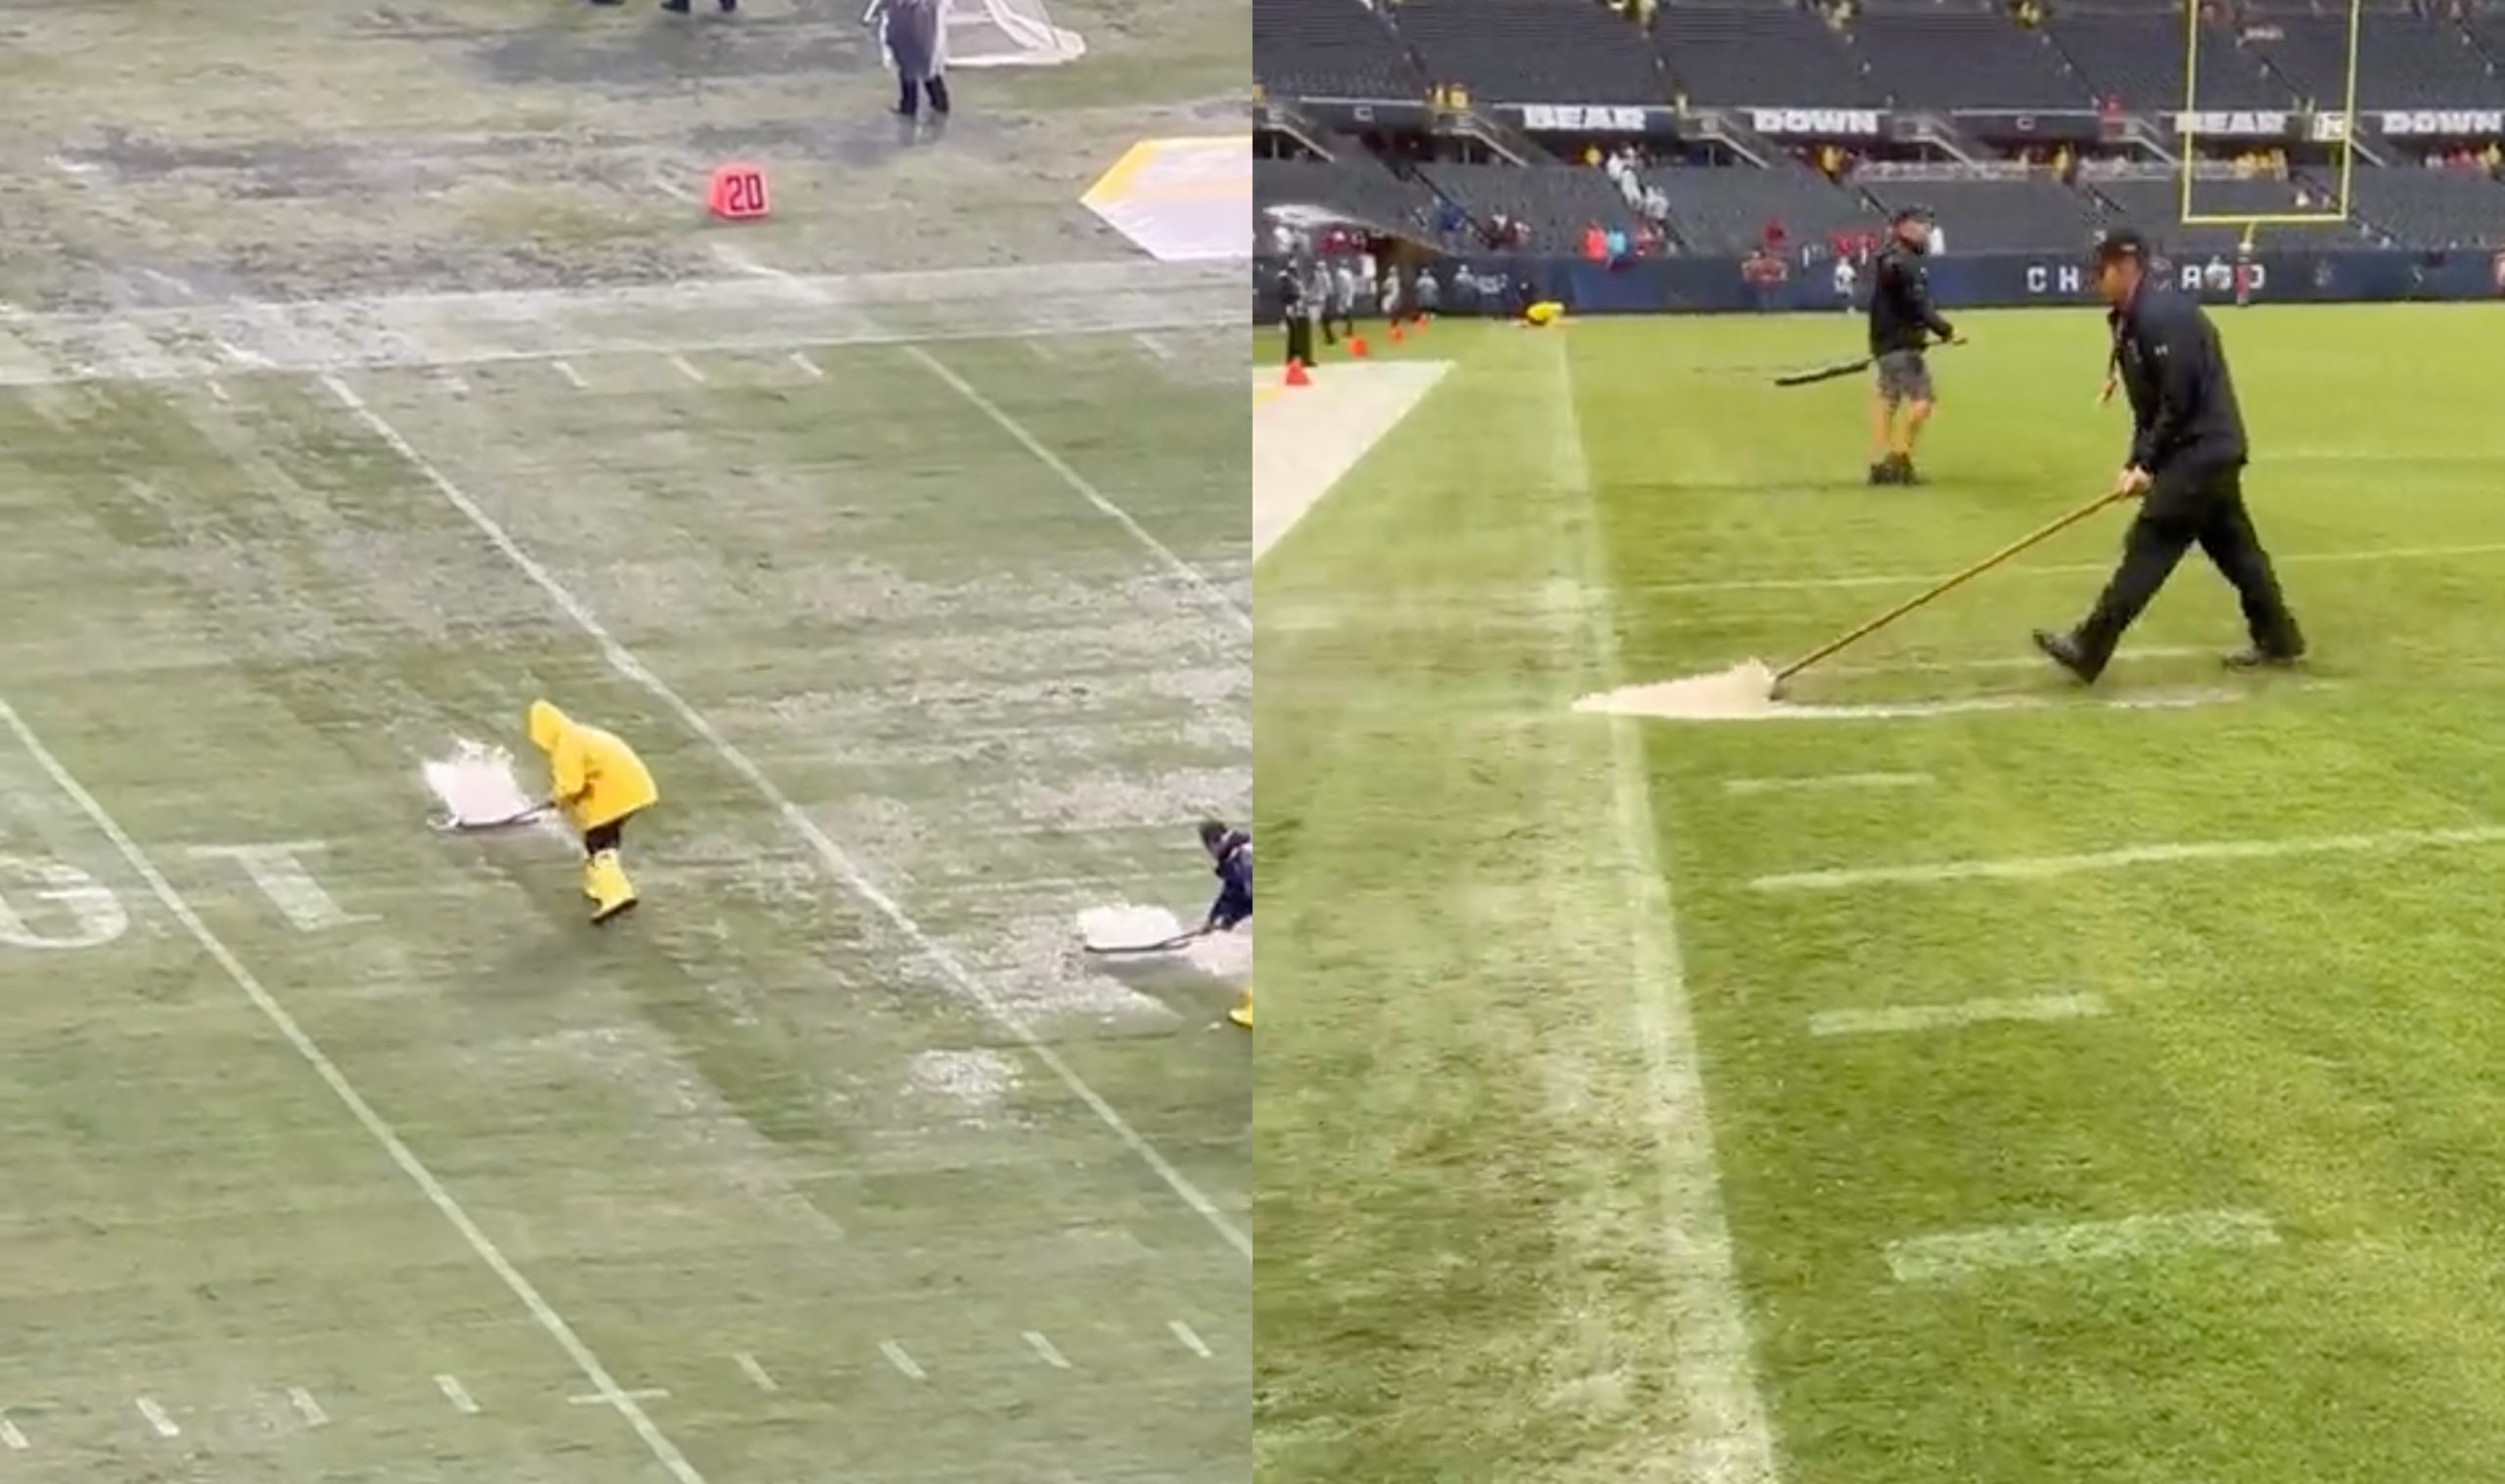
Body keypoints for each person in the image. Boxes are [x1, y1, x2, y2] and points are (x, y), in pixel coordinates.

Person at [2033, 229, 2304, 683]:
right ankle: (2280, 636)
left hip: (2201, 452)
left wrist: (2146, 464)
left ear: (2124, 268)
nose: (2094, 283)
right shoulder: (2132, 319)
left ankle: (2090, 646)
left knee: (2150, 546)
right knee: (2237, 552)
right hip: (2199, 451)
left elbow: (2178, 399)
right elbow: (2150, 407)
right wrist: (2133, 462)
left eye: (2099, 273)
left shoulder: (2163, 317)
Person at [526, 700, 660, 924]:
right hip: (633, 787)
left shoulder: (566, 745)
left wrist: (556, 798)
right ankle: (600, 885)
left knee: (599, 842)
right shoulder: (578, 734)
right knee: (603, 838)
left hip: (619, 794)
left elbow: (571, 786)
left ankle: (616, 894)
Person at [1866, 204, 1959, 486]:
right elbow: (1918, 305)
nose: (1926, 231)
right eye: (1921, 225)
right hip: (1903, 346)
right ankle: (1899, 457)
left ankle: (1879, 460)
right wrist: (1946, 331)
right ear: (1904, 227)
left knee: (1888, 400)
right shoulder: (1905, 262)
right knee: (1922, 401)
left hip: (1884, 344)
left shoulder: (1888, 258)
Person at [1198, 820, 1252, 1029]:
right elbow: (1231, 893)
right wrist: (1216, 921)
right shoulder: (1235, 856)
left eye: (1207, 848)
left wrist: (1227, 920)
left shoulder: (1244, 858)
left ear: (1214, 843)